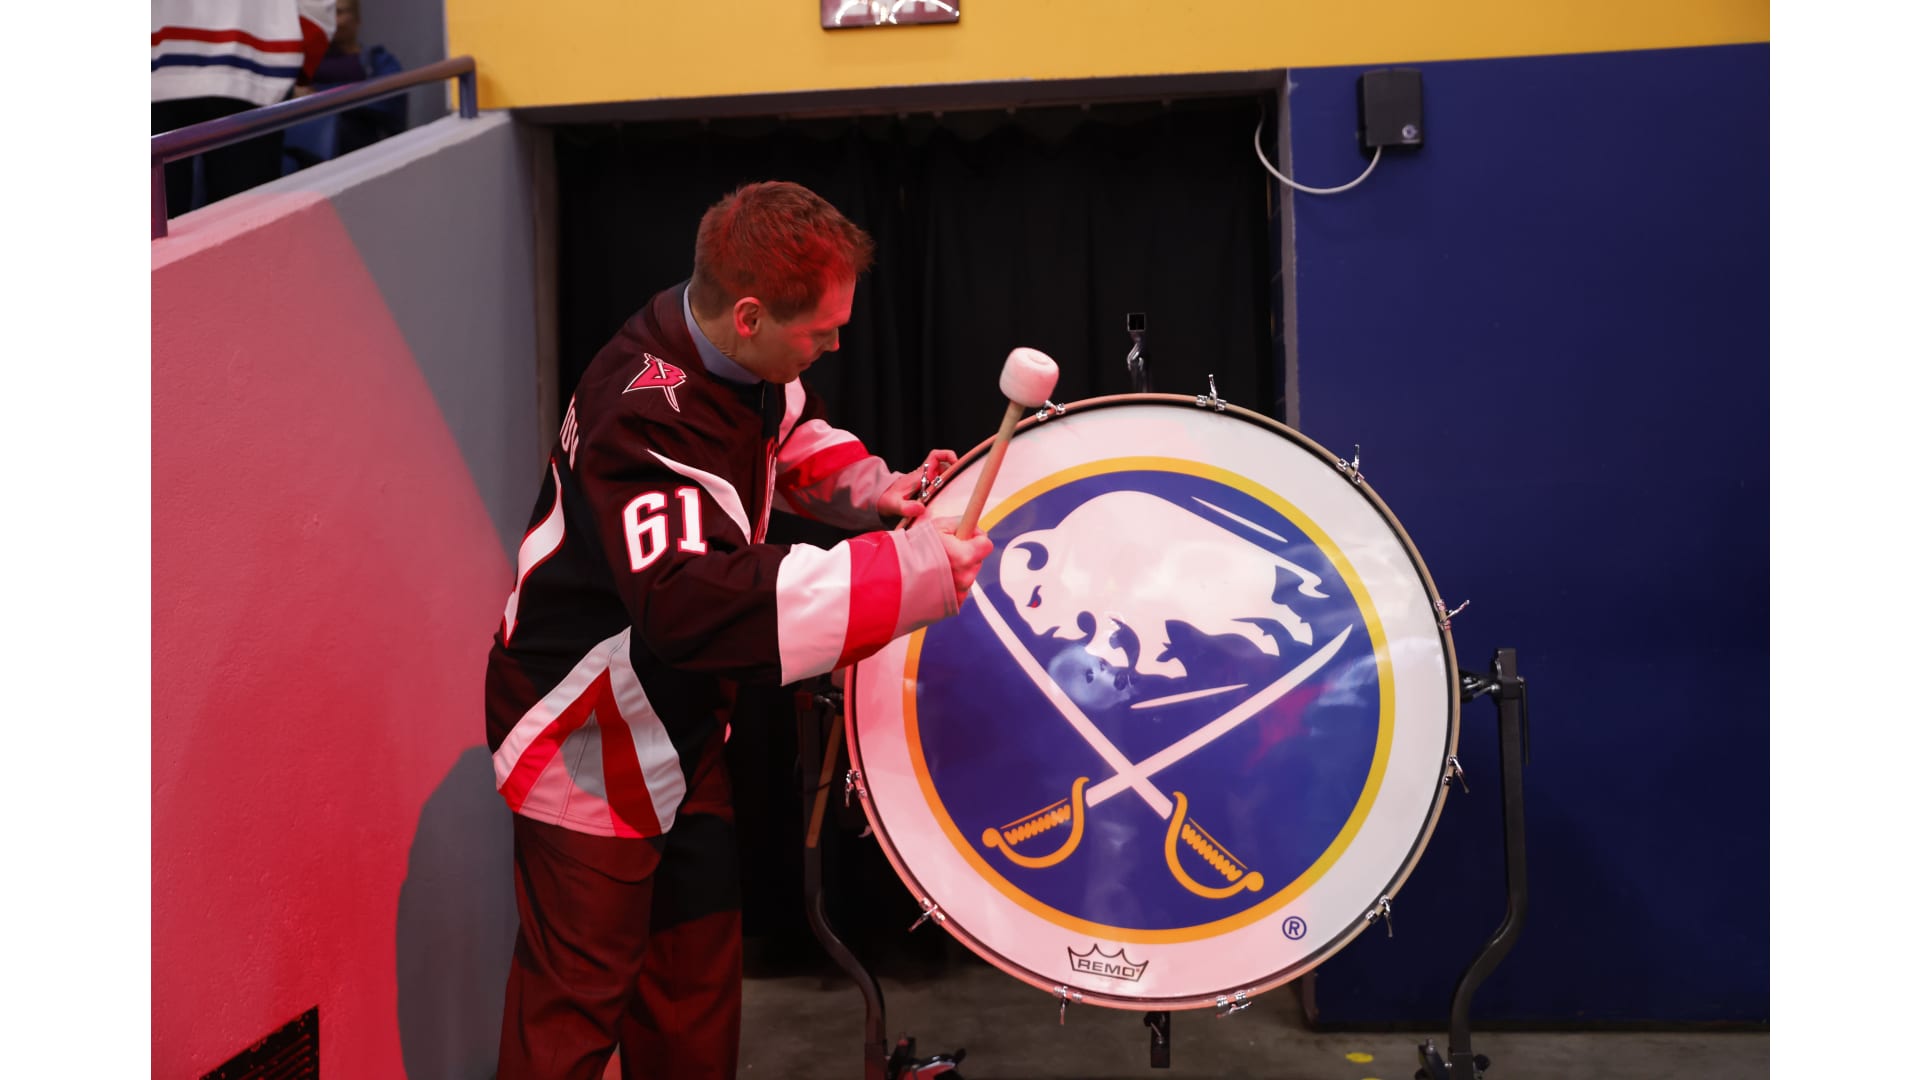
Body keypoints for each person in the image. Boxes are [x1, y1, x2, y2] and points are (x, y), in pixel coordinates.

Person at [484, 180, 993, 1079]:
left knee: (692, 1000)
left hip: (676, 730)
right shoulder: (642, 416)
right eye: (820, 331)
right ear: (751, 315)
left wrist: (876, 490)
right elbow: (693, 605)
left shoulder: (720, 345)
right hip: (587, 733)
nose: (836, 344)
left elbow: (782, 436)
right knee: (574, 1009)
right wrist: (908, 573)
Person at [151, 0, 336, 217]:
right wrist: (298, 59)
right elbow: (319, 7)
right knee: (245, 224)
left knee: (155, 230)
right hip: (258, 64)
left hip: (160, 62)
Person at [281, 0, 407, 173]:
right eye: (326, 14)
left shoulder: (377, 62)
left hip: (356, 157)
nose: (333, 20)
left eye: (339, 12)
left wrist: (320, 97)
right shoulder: (298, 65)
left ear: (357, 19)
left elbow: (391, 100)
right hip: (299, 158)